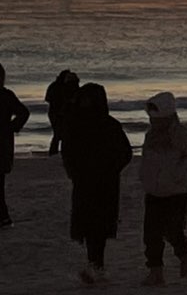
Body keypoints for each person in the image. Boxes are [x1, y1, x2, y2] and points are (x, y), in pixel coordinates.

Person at [62, 83, 132, 285]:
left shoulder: (109, 124)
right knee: (88, 224)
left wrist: (111, 169)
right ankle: (95, 265)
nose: (85, 103)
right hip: (85, 180)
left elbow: (125, 153)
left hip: (104, 182)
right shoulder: (76, 123)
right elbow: (67, 151)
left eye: (88, 99)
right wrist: (73, 171)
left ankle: (96, 264)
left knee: (98, 225)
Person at [139, 92, 187, 287]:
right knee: (151, 234)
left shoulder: (181, 134)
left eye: (156, 118)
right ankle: (156, 272)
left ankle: (184, 254)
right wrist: (145, 177)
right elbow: (147, 159)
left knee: (173, 231)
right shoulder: (150, 135)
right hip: (153, 191)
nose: (153, 121)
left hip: (176, 192)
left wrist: (178, 173)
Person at [0, 58, 29, 231]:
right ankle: (1, 217)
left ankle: (2, 217)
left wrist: (10, 128)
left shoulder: (5, 95)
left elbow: (23, 113)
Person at [45, 69, 81, 156]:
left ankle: (59, 152)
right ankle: (54, 153)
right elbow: (49, 98)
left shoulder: (69, 87)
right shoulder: (56, 86)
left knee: (63, 134)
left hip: (63, 112)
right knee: (58, 134)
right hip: (56, 113)